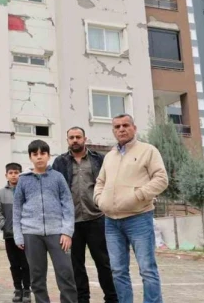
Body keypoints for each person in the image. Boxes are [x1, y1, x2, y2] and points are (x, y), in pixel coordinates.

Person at [94, 114, 168, 303]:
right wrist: (100, 200)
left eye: (125, 125)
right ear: (113, 131)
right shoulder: (109, 156)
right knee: (118, 271)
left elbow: (161, 179)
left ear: (134, 128)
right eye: (117, 126)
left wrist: (138, 195)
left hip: (139, 218)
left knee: (147, 269)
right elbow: (100, 182)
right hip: (111, 222)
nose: (121, 129)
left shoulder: (148, 151)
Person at [52, 127, 118, 303]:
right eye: (71, 137)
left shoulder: (98, 159)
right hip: (71, 223)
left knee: (103, 262)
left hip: (96, 218)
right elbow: (55, 191)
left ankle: (112, 298)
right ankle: (82, 300)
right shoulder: (59, 162)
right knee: (76, 265)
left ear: (85, 139)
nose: (75, 140)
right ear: (67, 140)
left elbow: (109, 184)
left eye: (78, 137)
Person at [13, 140, 77, 303]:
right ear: (30, 157)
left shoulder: (58, 177)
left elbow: (68, 204)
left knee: (66, 273)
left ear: (48, 156)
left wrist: (67, 231)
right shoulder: (23, 180)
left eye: (43, 153)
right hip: (31, 234)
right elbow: (17, 208)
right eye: (35, 154)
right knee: (37, 276)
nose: (39, 157)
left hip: (58, 233)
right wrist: (18, 235)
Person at [0, 163, 31, 303]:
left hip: (26, 234)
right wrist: (4, 225)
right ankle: (17, 289)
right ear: (6, 175)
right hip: (9, 235)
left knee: (26, 263)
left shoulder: (26, 191)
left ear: (20, 174)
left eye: (16, 173)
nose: (14, 175)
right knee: (14, 264)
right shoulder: (1, 193)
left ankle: (27, 290)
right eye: (11, 173)